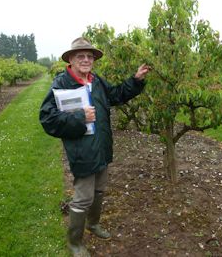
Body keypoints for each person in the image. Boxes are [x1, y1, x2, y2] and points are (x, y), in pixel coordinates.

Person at [39, 37, 150, 256]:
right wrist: (80, 117)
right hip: (82, 151)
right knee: (83, 198)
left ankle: (93, 224)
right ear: (70, 59)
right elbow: (47, 119)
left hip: (102, 147)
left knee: (99, 191)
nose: (86, 59)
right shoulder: (61, 83)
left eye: (90, 56)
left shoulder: (96, 81)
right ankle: (75, 243)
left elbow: (116, 95)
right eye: (80, 55)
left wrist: (135, 80)